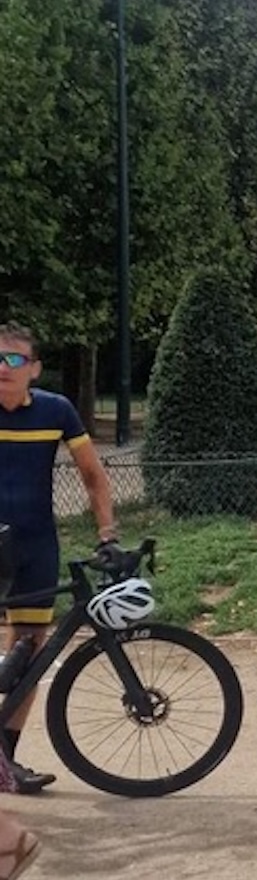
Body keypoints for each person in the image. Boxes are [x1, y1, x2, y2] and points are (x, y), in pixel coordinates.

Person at [0, 322, 118, 792]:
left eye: (11, 360)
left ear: (34, 369)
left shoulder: (56, 410)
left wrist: (107, 533)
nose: (1, 369)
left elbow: (92, 475)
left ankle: (5, 761)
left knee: (28, 650)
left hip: (34, 545)